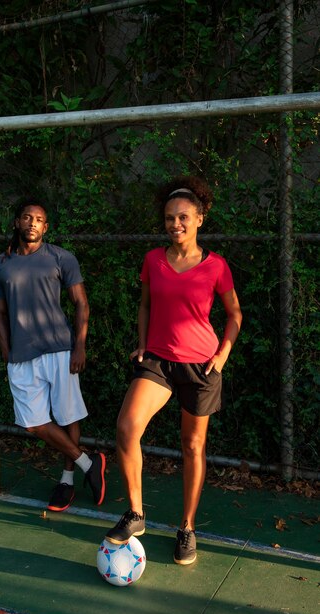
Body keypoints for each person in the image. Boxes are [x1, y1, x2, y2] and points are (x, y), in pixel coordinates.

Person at [105, 175, 242, 565]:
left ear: (200, 219)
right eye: (169, 218)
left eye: (183, 217)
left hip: (201, 366)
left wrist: (223, 354)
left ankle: (187, 528)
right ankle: (136, 514)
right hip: (159, 362)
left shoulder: (216, 266)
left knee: (192, 446)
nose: (175, 224)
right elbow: (145, 305)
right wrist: (143, 341)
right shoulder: (152, 260)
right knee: (127, 427)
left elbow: (234, 315)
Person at [0, 200, 106, 512]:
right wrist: (6, 350)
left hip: (60, 349)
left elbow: (81, 303)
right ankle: (87, 463)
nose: (32, 223)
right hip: (21, 355)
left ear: (46, 227)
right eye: (27, 217)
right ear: (16, 222)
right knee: (32, 423)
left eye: (39, 219)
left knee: (68, 417)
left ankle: (67, 480)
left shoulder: (61, 257)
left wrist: (79, 346)